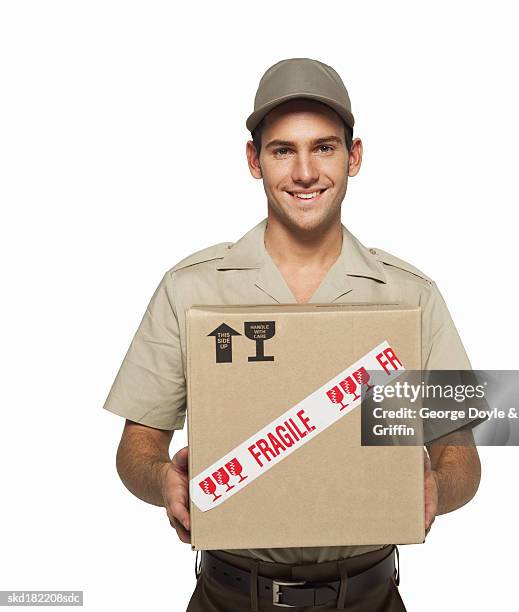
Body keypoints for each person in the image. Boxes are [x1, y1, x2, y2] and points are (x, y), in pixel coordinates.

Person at [103, 58, 483, 611]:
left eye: (324, 148)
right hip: (228, 596)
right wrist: (163, 479)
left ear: (353, 157)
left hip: (370, 597)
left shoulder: (410, 296)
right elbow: (137, 446)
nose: (305, 172)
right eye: (283, 150)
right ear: (254, 161)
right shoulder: (190, 291)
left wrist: (435, 490)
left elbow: (461, 459)